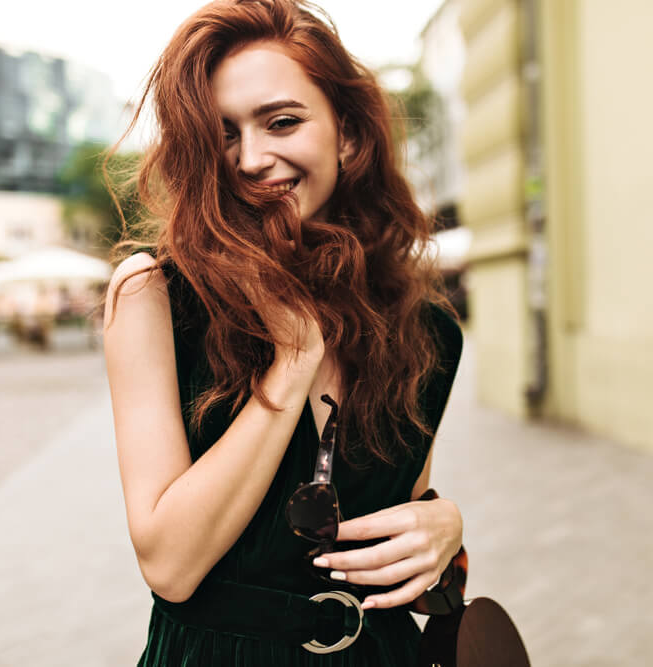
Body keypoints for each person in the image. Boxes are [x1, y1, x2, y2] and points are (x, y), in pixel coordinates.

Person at [102, 0, 464, 664]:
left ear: (347, 135)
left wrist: (445, 528)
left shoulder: (427, 331)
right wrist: (294, 356)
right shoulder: (152, 294)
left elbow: (394, 527)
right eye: (224, 134)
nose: (250, 157)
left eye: (282, 122)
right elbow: (170, 564)